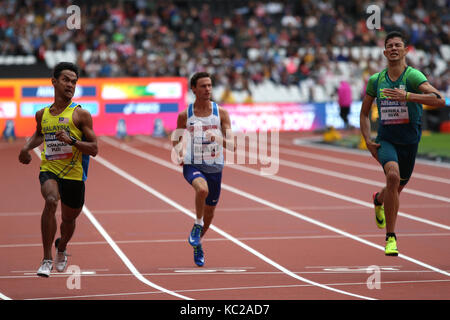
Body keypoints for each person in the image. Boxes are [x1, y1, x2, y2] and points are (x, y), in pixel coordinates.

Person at [360, 31, 445, 256]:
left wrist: (407, 96)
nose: (394, 48)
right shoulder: (376, 80)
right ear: (385, 52)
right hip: (386, 140)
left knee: (395, 188)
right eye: (390, 46)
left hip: (410, 143)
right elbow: (364, 113)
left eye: (398, 45)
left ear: (405, 50)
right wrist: (368, 140)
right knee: (392, 177)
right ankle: (391, 238)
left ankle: (378, 200)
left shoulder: (413, 77)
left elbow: (440, 100)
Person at [18, 62, 98, 277]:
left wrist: (72, 141)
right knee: (51, 200)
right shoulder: (42, 114)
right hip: (50, 169)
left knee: (69, 220)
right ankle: (46, 259)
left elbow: (94, 149)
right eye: (66, 80)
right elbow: (39, 134)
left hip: (74, 174)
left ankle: (61, 247)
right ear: (54, 81)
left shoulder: (81, 115)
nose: (70, 85)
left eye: (74, 82)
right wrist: (26, 148)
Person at [172, 72, 235, 267]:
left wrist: (218, 139)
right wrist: (179, 153)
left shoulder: (221, 113)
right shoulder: (185, 115)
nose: (207, 89)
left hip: (215, 167)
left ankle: (197, 242)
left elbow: (233, 145)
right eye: (203, 86)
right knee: (202, 190)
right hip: (193, 164)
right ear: (194, 89)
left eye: (209, 85)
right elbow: (176, 139)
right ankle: (197, 224)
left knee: (210, 213)